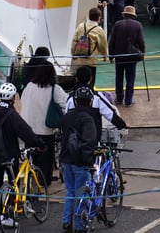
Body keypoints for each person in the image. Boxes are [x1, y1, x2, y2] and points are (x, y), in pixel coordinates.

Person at [0, 83, 46, 228]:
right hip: (8, 155)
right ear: (12, 98)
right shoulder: (11, 114)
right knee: (14, 184)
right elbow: (26, 132)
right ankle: (9, 214)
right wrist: (40, 144)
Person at [20, 63, 67, 184]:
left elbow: (23, 101)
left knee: (32, 155)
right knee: (46, 157)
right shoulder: (54, 89)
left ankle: (32, 179)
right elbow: (66, 104)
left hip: (28, 128)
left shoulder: (29, 86)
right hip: (46, 129)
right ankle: (44, 181)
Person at [59, 85, 97, 232]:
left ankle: (67, 220)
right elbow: (89, 142)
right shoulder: (88, 119)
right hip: (80, 161)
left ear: (75, 101)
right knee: (82, 192)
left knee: (70, 191)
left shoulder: (67, 116)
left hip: (66, 159)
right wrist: (89, 162)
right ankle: (80, 225)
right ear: (90, 102)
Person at [66, 65, 128, 133]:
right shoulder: (97, 96)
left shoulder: (71, 98)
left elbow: (66, 117)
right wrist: (123, 125)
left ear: (76, 79)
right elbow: (110, 114)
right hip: (94, 136)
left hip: (75, 137)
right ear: (91, 78)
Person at [108, 5, 145, 106]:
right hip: (132, 56)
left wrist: (111, 56)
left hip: (119, 56)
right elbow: (141, 42)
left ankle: (119, 98)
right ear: (133, 15)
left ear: (124, 15)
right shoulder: (138, 25)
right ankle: (128, 100)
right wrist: (142, 53)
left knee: (119, 77)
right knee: (130, 78)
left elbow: (112, 41)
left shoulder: (117, 24)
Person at [71, 7, 109, 82]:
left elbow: (74, 41)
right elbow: (103, 45)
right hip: (92, 61)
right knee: (90, 82)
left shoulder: (81, 26)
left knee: (80, 80)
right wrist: (105, 56)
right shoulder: (99, 30)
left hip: (80, 60)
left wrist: (73, 54)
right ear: (99, 17)